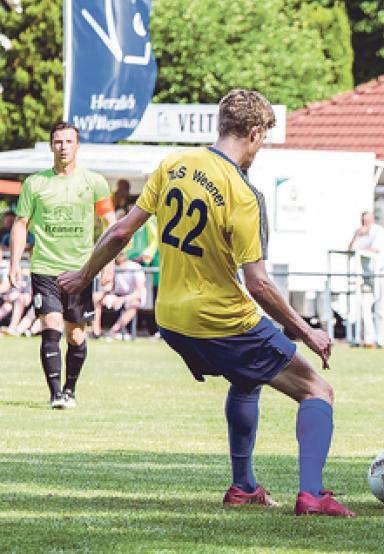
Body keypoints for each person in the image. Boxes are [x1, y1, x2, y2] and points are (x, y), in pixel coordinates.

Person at [57, 89, 353, 517]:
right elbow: (260, 285)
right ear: (253, 133)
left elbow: (121, 232)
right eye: (263, 139)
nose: (260, 149)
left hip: (172, 320)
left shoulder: (174, 164)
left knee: (248, 378)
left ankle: (244, 487)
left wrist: (84, 275)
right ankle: (312, 494)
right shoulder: (243, 194)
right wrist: (307, 331)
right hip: (222, 319)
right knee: (316, 390)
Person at [8, 122, 117, 409]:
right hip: (44, 266)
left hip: (81, 270)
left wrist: (108, 264)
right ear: (51, 146)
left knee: (76, 335)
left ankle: (70, 389)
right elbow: (21, 224)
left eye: (69, 142)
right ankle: (56, 393)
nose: (63, 147)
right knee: (51, 325)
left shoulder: (94, 182)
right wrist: (14, 263)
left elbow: (111, 225)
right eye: (58, 142)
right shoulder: (35, 183)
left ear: (77, 146)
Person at [348, 210, 384, 348]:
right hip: (368, 276)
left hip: (383, 273)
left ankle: (381, 340)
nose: (365, 224)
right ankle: (369, 339)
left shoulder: (379, 231)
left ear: (372, 221)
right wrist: (356, 235)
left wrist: (360, 250)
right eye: (363, 221)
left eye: (368, 221)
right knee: (364, 305)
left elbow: (374, 250)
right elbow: (350, 250)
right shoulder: (358, 233)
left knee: (382, 307)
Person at [91, 253, 146, 340]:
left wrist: (123, 299)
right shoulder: (112, 265)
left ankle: (112, 331)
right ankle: (96, 332)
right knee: (96, 297)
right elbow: (107, 287)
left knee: (135, 303)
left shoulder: (135, 267)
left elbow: (140, 292)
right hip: (116, 296)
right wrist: (107, 277)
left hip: (130, 297)